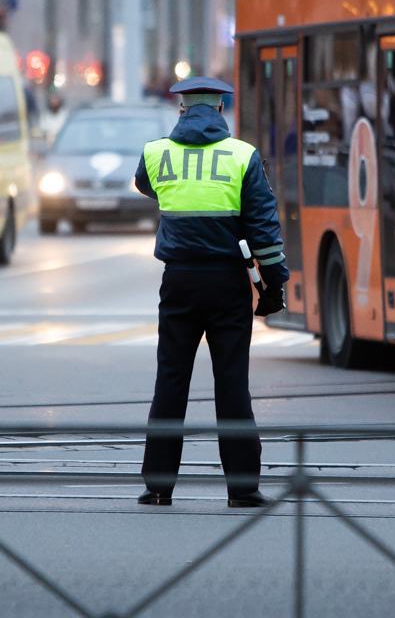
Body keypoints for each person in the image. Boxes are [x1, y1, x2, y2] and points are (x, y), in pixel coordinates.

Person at [133, 76, 289, 509]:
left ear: (181, 109)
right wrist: (274, 283)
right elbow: (263, 225)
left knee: (171, 381)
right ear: (221, 110)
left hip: (179, 281)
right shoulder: (243, 156)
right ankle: (242, 488)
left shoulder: (156, 152)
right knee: (232, 384)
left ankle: (158, 486)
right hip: (228, 284)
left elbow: (147, 186)